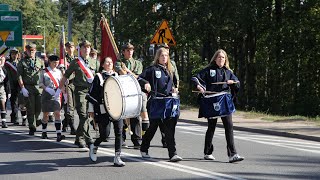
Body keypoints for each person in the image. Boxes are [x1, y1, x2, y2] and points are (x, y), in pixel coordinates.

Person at [192, 49, 244, 163]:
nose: (221, 59)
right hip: (212, 101)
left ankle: (233, 154)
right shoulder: (208, 70)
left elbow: (237, 83)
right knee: (211, 127)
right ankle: (207, 152)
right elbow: (196, 78)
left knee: (229, 126)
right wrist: (200, 87)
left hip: (224, 101)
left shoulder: (228, 72)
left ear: (226, 60)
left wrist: (233, 83)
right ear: (215, 58)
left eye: (223, 57)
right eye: (219, 57)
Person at [139, 47, 182, 162]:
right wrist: (146, 83)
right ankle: (144, 148)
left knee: (169, 128)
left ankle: (173, 154)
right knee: (153, 127)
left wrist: (174, 90)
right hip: (155, 102)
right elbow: (140, 78)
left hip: (167, 102)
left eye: (166, 56)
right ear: (158, 57)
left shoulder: (170, 71)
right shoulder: (152, 69)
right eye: (162, 55)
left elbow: (172, 85)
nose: (164, 57)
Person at [57, 40, 99, 148]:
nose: (86, 49)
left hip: (92, 92)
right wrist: (58, 90)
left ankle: (78, 138)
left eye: (88, 47)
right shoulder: (76, 62)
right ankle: (89, 140)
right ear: (80, 50)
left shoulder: (95, 62)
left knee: (88, 116)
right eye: (84, 48)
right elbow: (66, 76)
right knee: (83, 115)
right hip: (80, 92)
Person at [87, 57, 125, 167]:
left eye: (111, 62)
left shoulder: (117, 76)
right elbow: (90, 95)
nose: (109, 64)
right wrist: (94, 108)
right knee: (104, 135)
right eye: (107, 62)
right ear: (103, 64)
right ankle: (94, 146)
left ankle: (117, 157)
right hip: (103, 109)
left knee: (119, 132)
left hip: (117, 108)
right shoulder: (98, 77)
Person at [114, 42, 147, 149]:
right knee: (122, 114)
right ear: (123, 52)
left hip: (134, 90)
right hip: (122, 91)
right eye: (127, 50)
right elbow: (121, 73)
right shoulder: (118, 62)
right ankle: (122, 138)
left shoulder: (138, 63)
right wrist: (126, 72)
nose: (130, 52)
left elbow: (138, 77)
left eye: (131, 50)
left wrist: (128, 71)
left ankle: (137, 140)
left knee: (135, 115)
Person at [17, 44, 43, 135]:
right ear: (26, 51)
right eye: (29, 50)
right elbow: (19, 76)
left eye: (33, 50)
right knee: (30, 108)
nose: (31, 52)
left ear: (35, 50)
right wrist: (23, 88)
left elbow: (44, 74)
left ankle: (36, 121)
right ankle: (32, 127)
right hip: (28, 87)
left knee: (38, 108)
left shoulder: (40, 61)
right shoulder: (22, 62)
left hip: (38, 88)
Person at [158, 43, 180, 148]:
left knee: (173, 117)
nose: (166, 51)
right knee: (162, 119)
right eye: (163, 49)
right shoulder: (156, 65)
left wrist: (176, 88)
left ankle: (170, 138)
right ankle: (166, 139)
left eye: (167, 49)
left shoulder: (172, 63)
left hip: (172, 95)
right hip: (161, 96)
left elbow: (176, 77)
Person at [39, 55, 65, 141]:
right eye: (54, 62)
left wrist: (63, 93)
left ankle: (58, 134)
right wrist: (47, 89)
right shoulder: (44, 72)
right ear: (50, 62)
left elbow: (62, 83)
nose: (55, 64)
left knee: (57, 113)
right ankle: (44, 132)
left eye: (57, 63)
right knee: (46, 114)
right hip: (46, 94)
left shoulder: (59, 72)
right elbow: (40, 83)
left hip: (56, 94)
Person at [60, 41, 76, 135]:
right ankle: (72, 126)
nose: (70, 49)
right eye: (68, 47)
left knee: (74, 105)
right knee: (69, 106)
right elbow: (62, 71)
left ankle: (65, 122)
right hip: (67, 84)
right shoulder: (63, 59)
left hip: (76, 84)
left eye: (72, 47)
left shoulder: (77, 59)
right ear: (66, 48)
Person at [4, 48, 23, 125]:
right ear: (10, 55)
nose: (14, 55)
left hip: (20, 85)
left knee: (20, 102)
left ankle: (16, 116)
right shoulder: (7, 64)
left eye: (15, 54)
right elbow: (7, 75)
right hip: (11, 85)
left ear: (18, 55)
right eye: (12, 54)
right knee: (14, 102)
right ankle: (15, 118)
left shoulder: (20, 63)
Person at [0, 55, 10, 128]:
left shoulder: (4, 69)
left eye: (3, 60)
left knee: (3, 103)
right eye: (0, 60)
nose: (2, 61)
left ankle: (3, 121)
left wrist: (8, 91)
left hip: (1, 87)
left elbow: (7, 81)